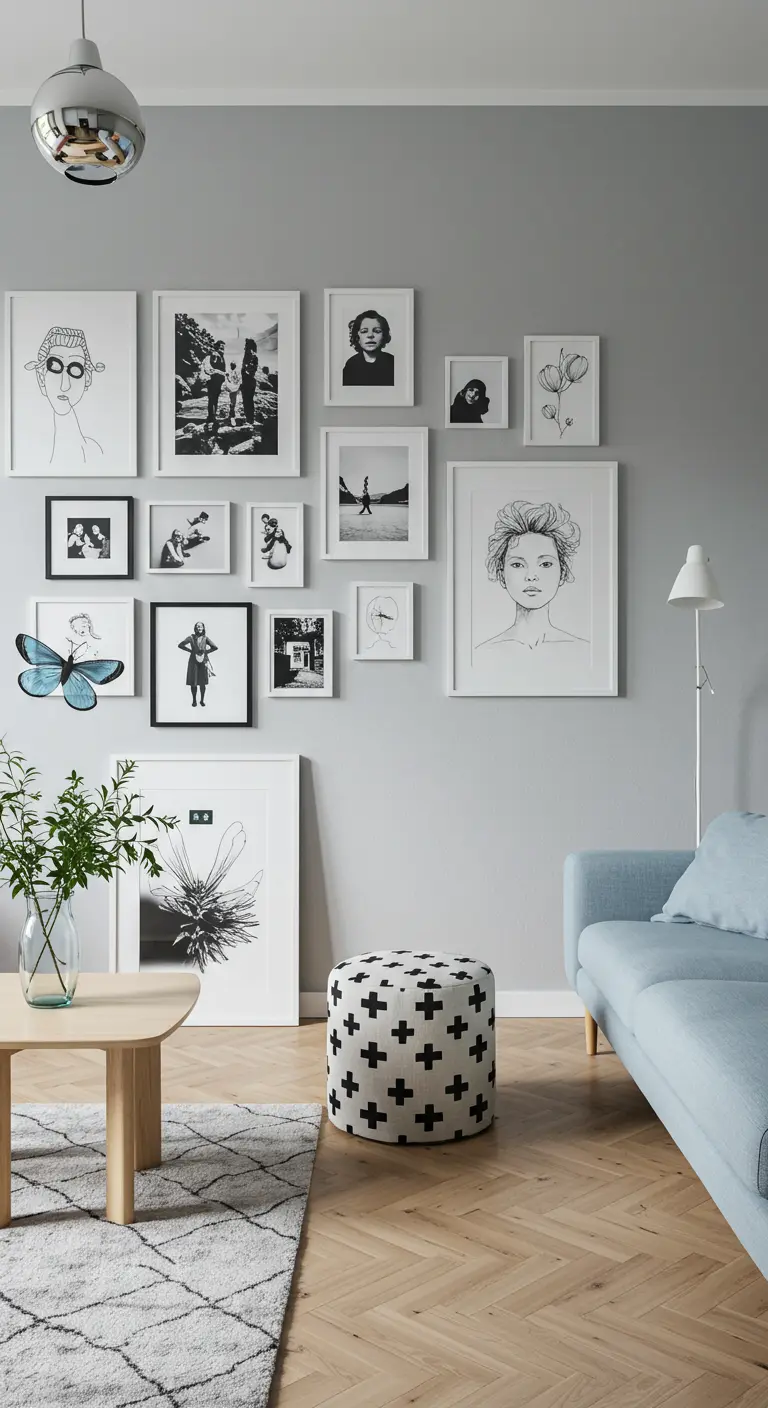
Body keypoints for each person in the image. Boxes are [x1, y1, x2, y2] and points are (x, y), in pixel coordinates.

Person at [479, 499, 586, 649]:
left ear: (563, 572)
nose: (531, 576)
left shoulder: (581, 648)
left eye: (545, 564)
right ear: (501, 574)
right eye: (518, 564)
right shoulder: (485, 651)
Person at [25, 325, 105, 467]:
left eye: (75, 370)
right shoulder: (28, 447)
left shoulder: (94, 452)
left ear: (87, 378)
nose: (65, 385)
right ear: (41, 377)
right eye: (55, 368)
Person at [342, 310, 395, 387]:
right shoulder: (351, 365)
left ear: (384, 335)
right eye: (364, 331)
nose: (370, 335)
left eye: (377, 331)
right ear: (357, 337)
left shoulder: (393, 363)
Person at [178, 621, 217, 707]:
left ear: (203, 628)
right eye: (197, 627)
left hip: (203, 662)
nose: (199, 628)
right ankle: (194, 700)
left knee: (202, 682)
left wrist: (205, 652)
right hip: (193, 662)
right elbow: (180, 645)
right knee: (194, 682)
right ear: (195, 628)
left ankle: (202, 700)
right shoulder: (191, 638)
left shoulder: (205, 638)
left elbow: (215, 647)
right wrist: (191, 651)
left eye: (200, 627)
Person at [201, 340, 226, 427]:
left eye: (223, 348)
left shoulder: (220, 356)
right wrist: (222, 373)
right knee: (212, 399)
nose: (223, 349)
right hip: (213, 381)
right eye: (221, 347)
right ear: (217, 347)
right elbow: (211, 369)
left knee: (214, 399)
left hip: (217, 381)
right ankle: (211, 417)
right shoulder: (214, 355)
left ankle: (212, 416)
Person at [240, 338, 259, 423]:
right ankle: (250, 418)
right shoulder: (251, 355)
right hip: (249, 381)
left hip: (248, 380)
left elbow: (251, 369)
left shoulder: (250, 355)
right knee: (248, 400)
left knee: (247, 400)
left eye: (246, 345)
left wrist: (245, 370)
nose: (245, 347)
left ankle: (250, 419)